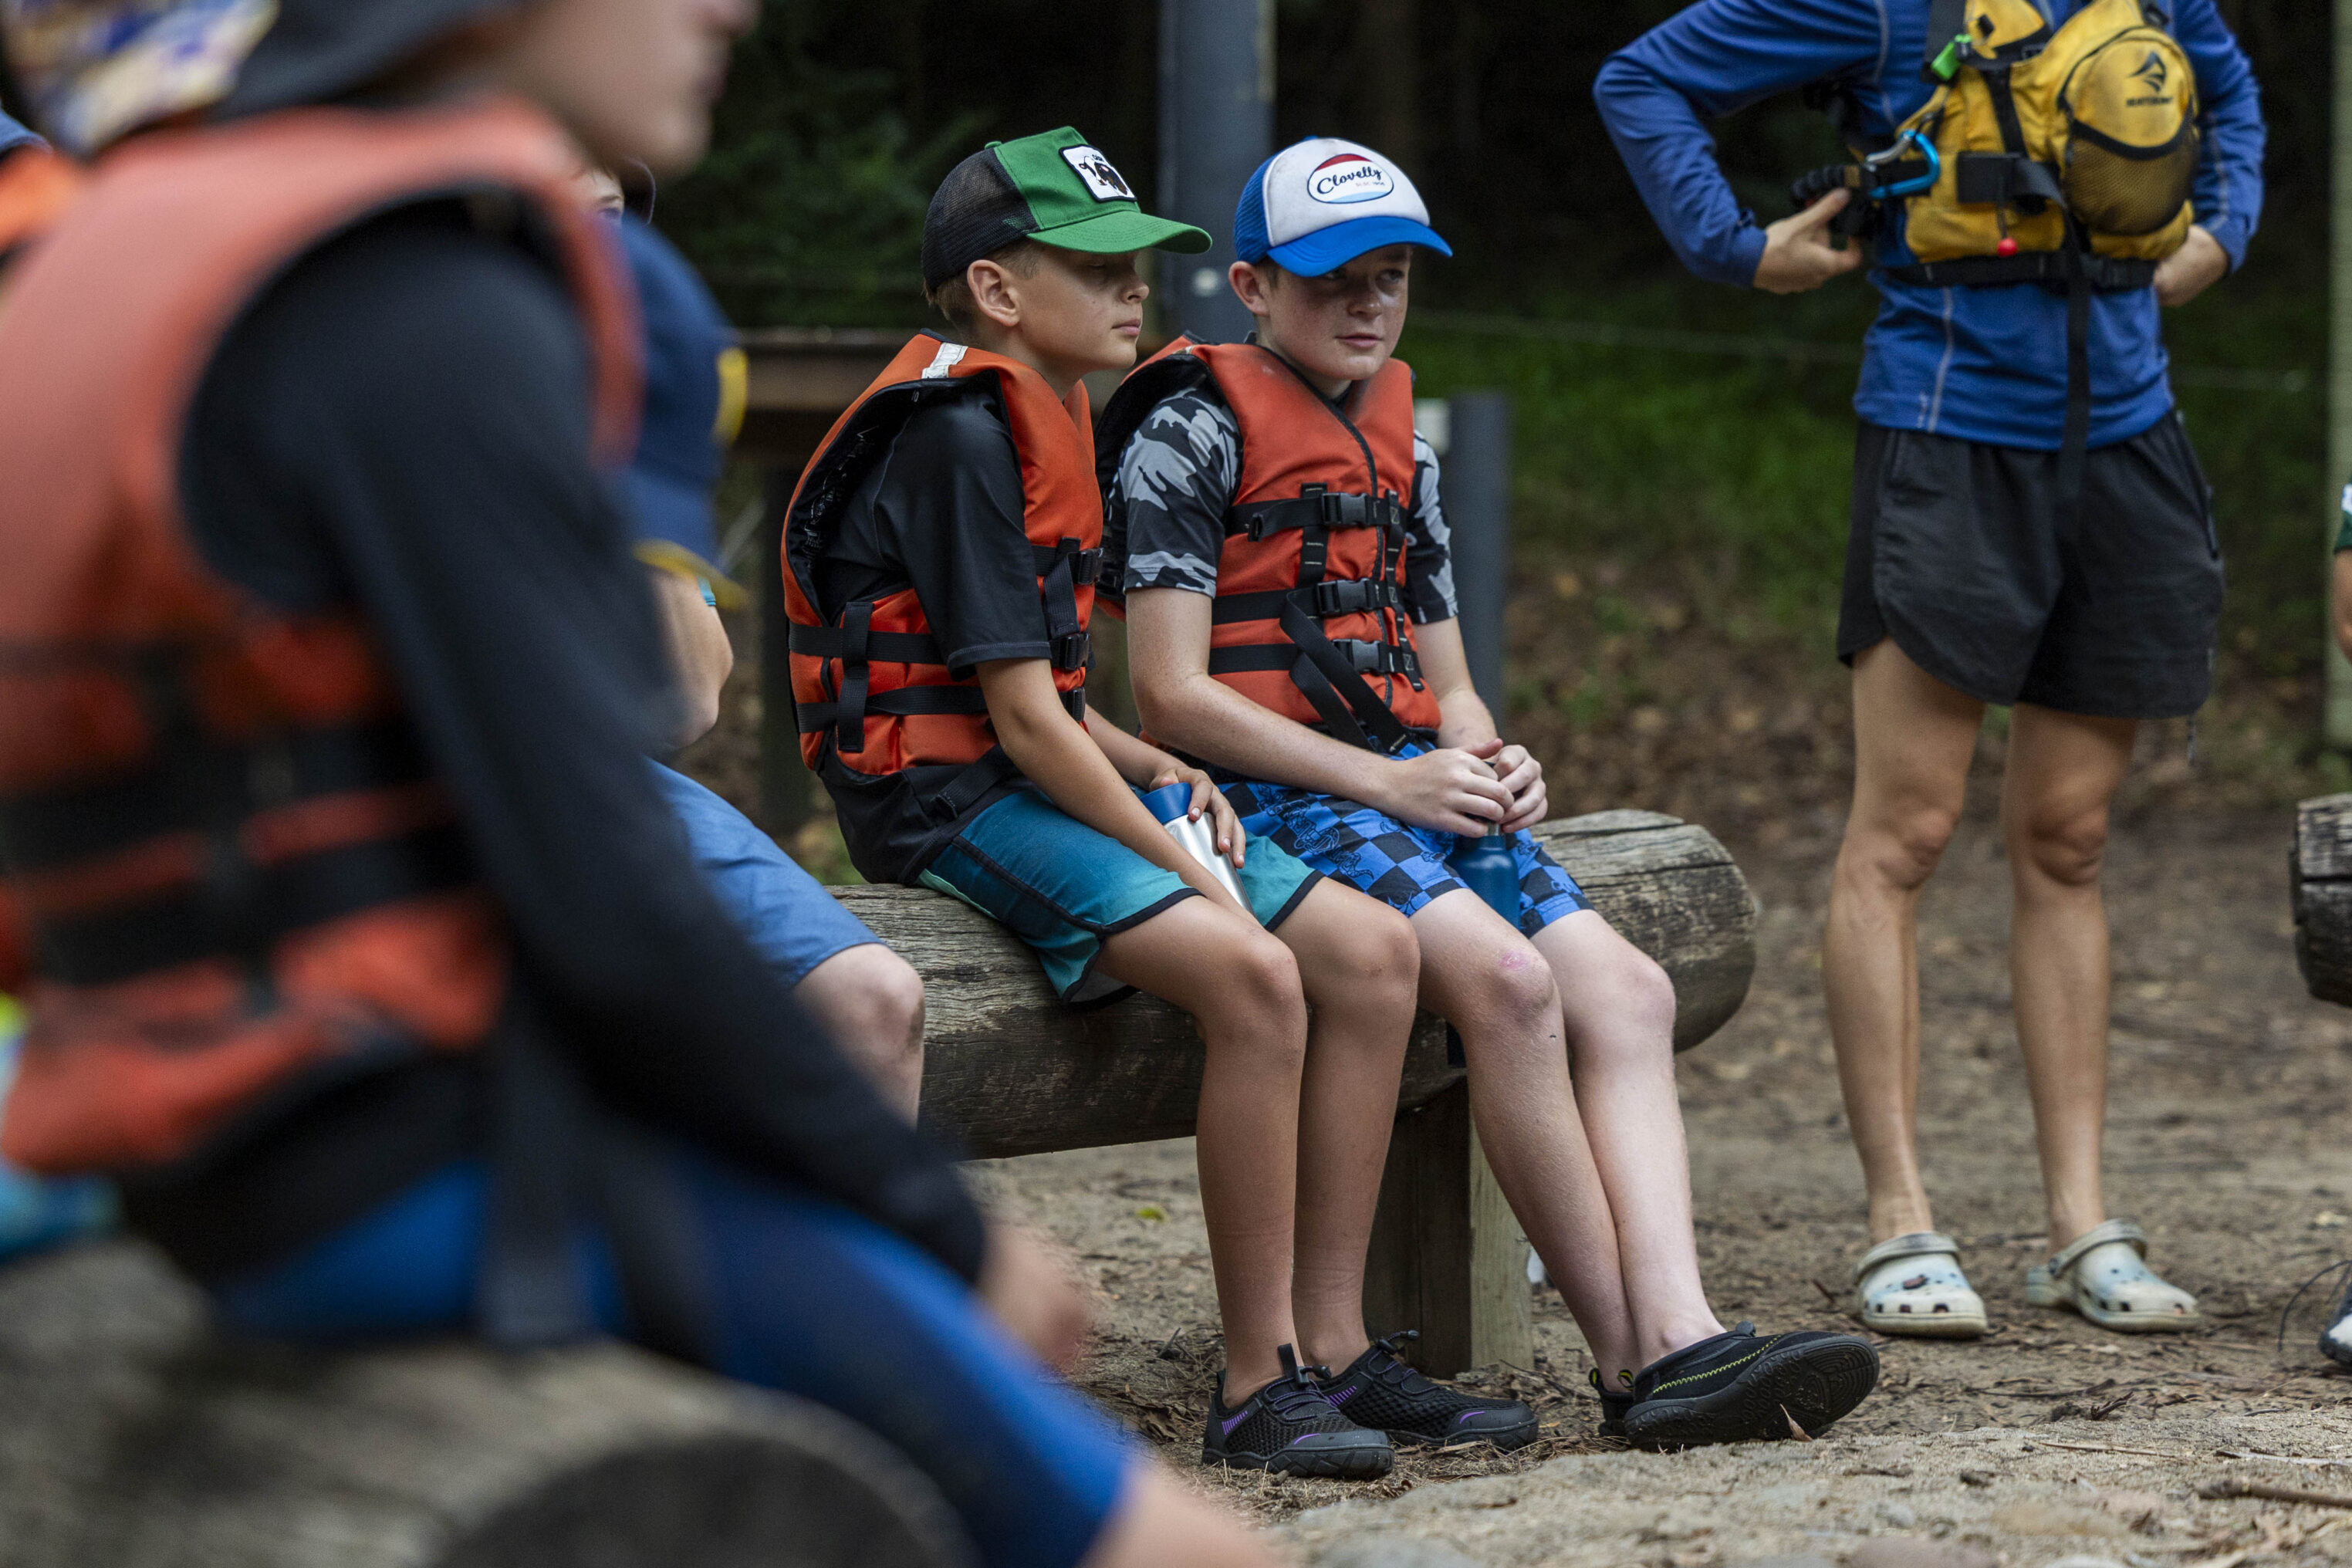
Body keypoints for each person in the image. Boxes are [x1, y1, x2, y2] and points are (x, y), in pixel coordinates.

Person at [0, 4, 1272, 1564]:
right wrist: (926, 1220)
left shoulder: (126, 254)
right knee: (1165, 1532)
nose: (731, 6)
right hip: (373, 1176)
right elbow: (603, 890)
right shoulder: (421, 299)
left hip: (171, 1148)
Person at [1099, 135, 1879, 1451]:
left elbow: (1448, 684)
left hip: (1402, 788)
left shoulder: (1405, 445)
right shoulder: (1187, 430)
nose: (1365, 302)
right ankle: (1631, 1362)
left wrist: (1488, 751)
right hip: (1275, 802)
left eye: (1389, 277)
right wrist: (1386, 777)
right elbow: (1167, 697)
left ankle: (1684, 1331)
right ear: (1247, 285)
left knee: (1624, 988)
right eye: (1332, 276)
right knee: (1511, 988)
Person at [788, 126, 1534, 1475]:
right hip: (948, 805)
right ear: (999, 291)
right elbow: (1009, 723)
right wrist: (1173, 853)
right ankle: (1255, 1383)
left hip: (1037, 767)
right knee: (1251, 975)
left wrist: (1160, 764)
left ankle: (1338, 1345)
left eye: (1145, 264)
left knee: (1369, 954)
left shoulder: (1055, 406)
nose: (1138, 289)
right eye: (1100, 266)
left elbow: (1058, 704)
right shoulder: (958, 432)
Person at [1596, 0, 2263, 1340]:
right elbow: (1644, 76)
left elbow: (2229, 95)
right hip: (1942, 438)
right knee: (1901, 832)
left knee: (2067, 837)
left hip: (2126, 441)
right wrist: (1732, 247)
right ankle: (1897, 1219)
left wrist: (2221, 228)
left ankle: (2081, 1226)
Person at [608, 194, 928, 1118]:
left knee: (877, 999)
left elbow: (691, 702)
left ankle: (861, 1265)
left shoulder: (629, 416)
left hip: (605, 780)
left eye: (615, 220)